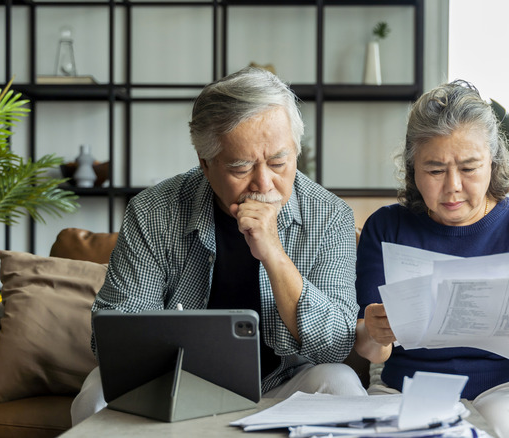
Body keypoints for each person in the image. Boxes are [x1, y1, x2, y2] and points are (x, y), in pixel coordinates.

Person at [71, 67, 366, 425]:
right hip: (176, 385)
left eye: (278, 162)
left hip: (286, 386)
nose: (263, 182)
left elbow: (335, 344)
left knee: (341, 383)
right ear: (205, 164)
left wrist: (272, 252)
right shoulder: (153, 212)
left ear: (296, 150)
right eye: (241, 167)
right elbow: (114, 339)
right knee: (97, 392)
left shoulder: (330, 215)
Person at [354, 80, 509, 438]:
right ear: (413, 168)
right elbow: (370, 349)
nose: (452, 186)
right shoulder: (387, 228)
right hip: (406, 387)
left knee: (501, 425)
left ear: (493, 163)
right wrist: (375, 333)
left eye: (469, 168)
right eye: (435, 170)